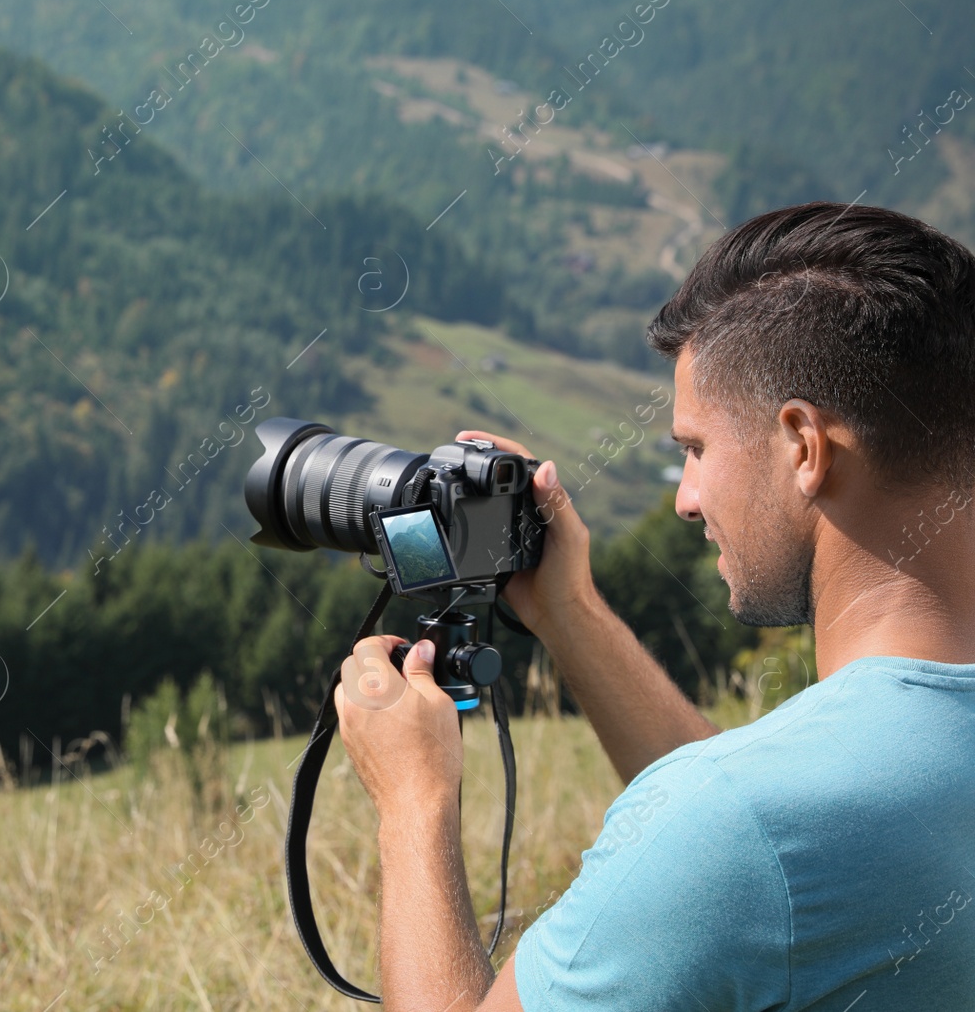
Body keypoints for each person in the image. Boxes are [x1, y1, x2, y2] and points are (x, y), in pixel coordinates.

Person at [335, 201, 975, 1011]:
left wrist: (413, 803)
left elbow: (744, 832)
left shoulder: (741, 824)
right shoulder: (794, 814)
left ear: (805, 448)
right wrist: (568, 609)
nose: (688, 498)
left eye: (696, 449)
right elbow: (772, 847)